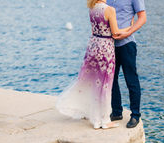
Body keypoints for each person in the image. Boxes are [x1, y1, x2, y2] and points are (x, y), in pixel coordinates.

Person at [56, 0, 131, 129]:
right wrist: (131, 27)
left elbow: (94, 30)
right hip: (106, 48)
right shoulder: (109, 10)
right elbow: (116, 33)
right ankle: (104, 120)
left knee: (94, 82)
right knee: (105, 84)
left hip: (94, 46)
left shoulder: (92, 8)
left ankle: (96, 120)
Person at [108, 0, 147, 128]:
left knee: (131, 80)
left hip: (127, 44)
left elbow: (142, 18)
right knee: (110, 80)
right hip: (109, 45)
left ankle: (135, 115)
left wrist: (128, 32)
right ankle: (117, 111)